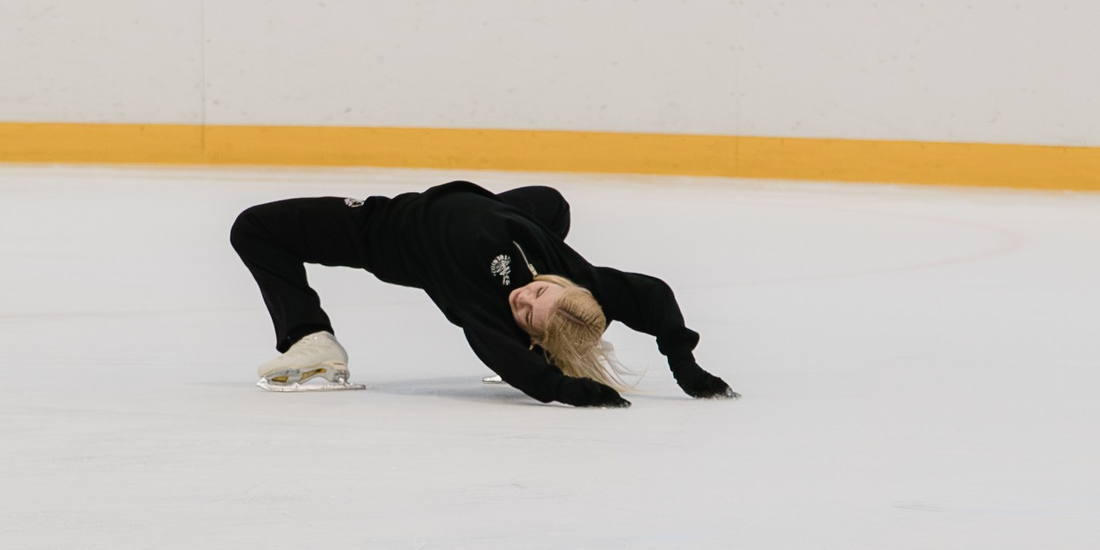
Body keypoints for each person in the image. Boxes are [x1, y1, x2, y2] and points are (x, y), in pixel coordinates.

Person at [228, 181, 733, 407]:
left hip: (394, 231)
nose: (522, 298)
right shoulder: (584, 282)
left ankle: (311, 341)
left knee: (254, 228)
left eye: (527, 316)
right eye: (539, 291)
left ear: (529, 339)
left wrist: (562, 388)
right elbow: (653, 296)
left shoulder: (478, 295)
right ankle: (542, 327)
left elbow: (495, 346)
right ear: (563, 283)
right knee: (550, 203)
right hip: (493, 214)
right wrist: (684, 362)